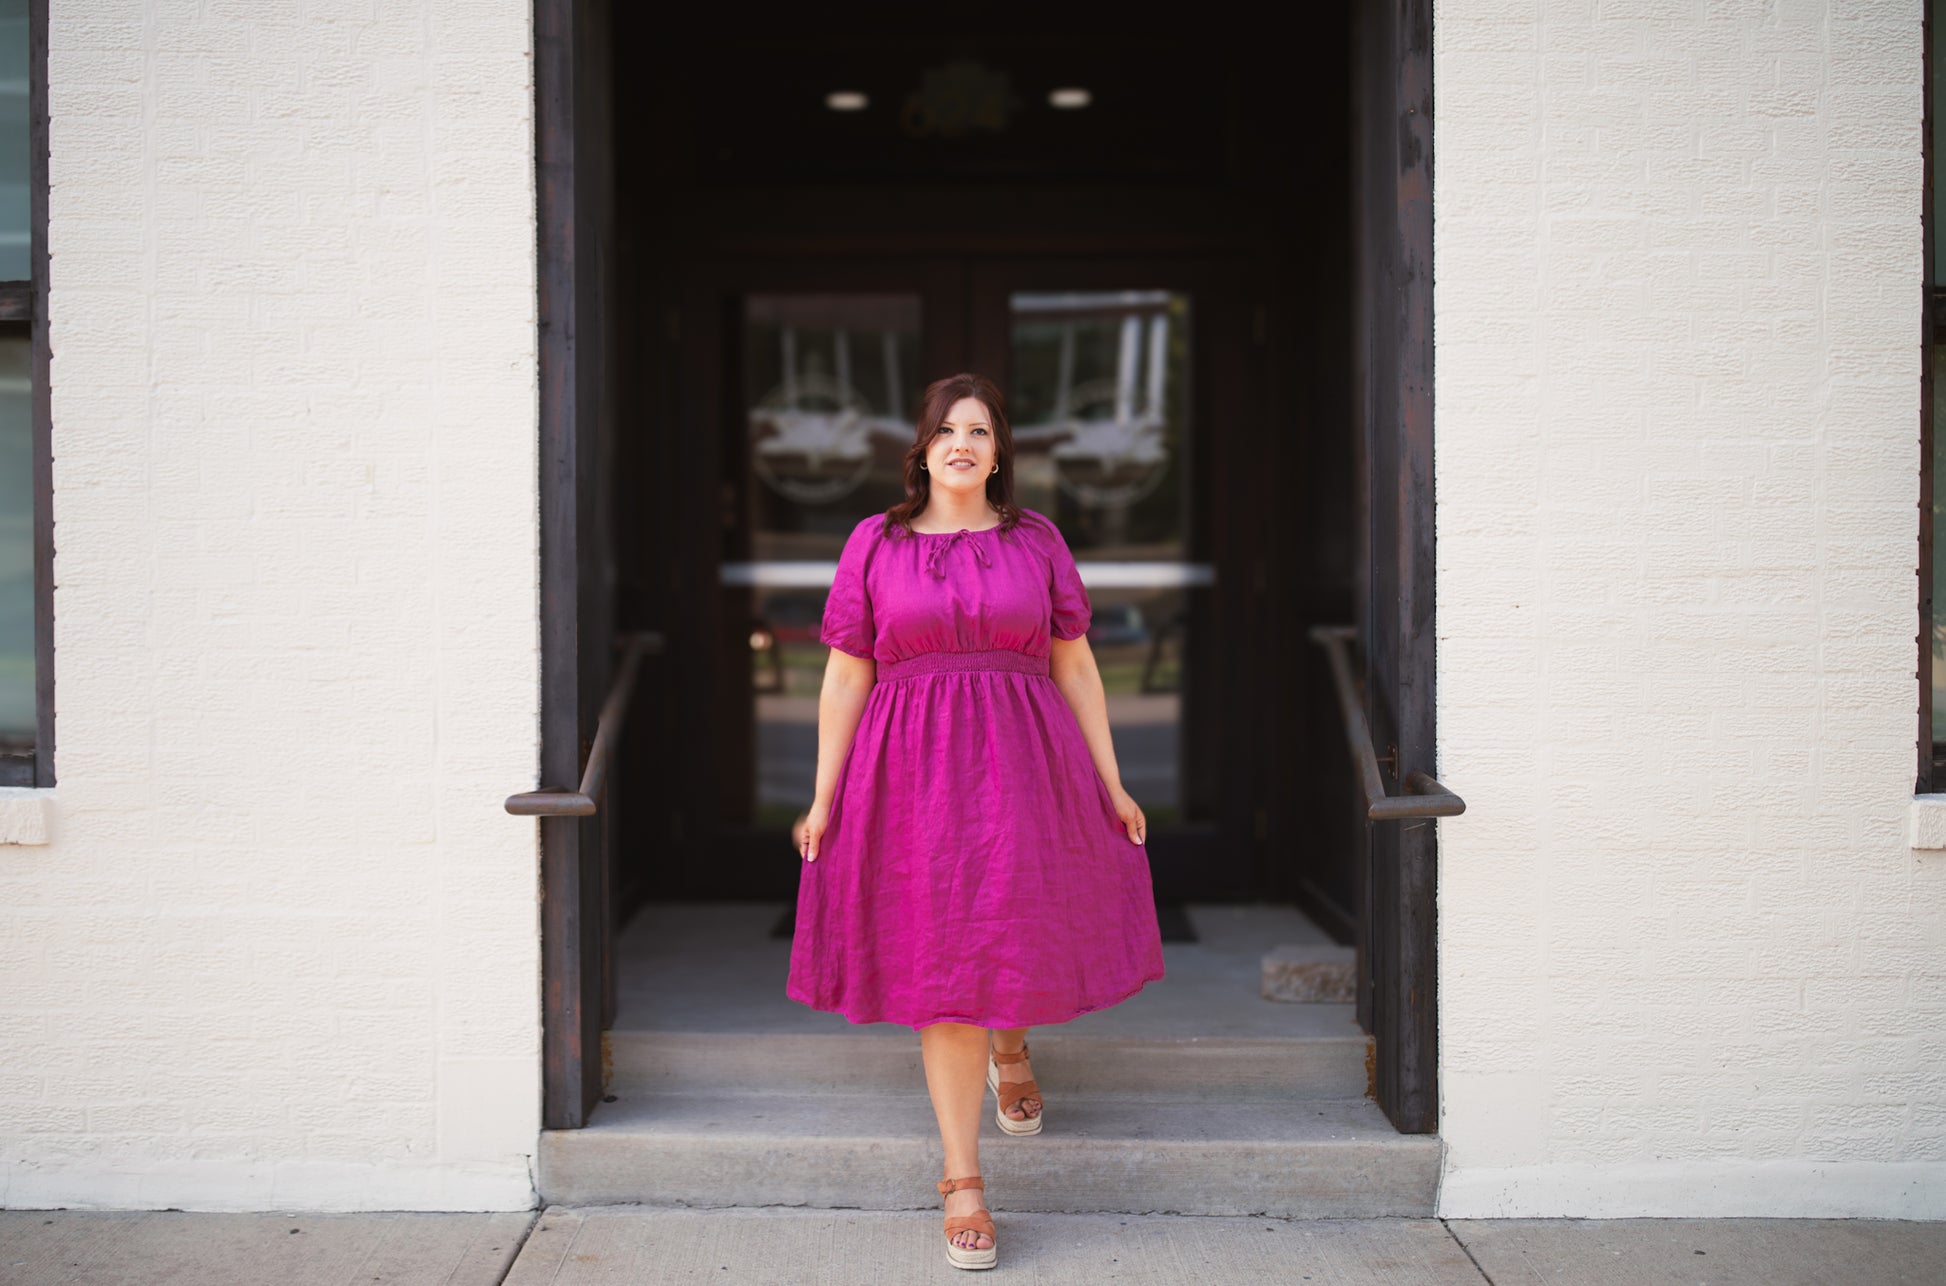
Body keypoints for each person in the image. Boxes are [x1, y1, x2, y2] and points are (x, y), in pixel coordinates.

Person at [787, 372, 1166, 1271]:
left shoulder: (1036, 540)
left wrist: (1113, 783)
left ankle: (1014, 1044)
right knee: (942, 952)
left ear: (1000, 452)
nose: (963, 444)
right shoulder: (875, 542)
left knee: (1014, 924)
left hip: (1026, 760)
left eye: (981, 430)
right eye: (947, 430)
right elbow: (846, 675)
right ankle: (962, 1178)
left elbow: (1075, 666)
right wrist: (822, 794)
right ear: (921, 449)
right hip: (909, 769)